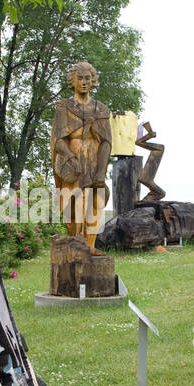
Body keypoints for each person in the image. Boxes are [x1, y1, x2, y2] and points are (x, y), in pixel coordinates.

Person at [51, 61, 112, 250]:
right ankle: (76, 241)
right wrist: (70, 157)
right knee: (73, 203)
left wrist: (101, 171)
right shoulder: (63, 107)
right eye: (80, 78)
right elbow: (58, 139)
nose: (84, 82)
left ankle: (90, 246)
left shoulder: (101, 109)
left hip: (94, 161)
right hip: (72, 165)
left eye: (87, 78)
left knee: (95, 201)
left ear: (93, 80)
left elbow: (106, 142)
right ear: (73, 81)